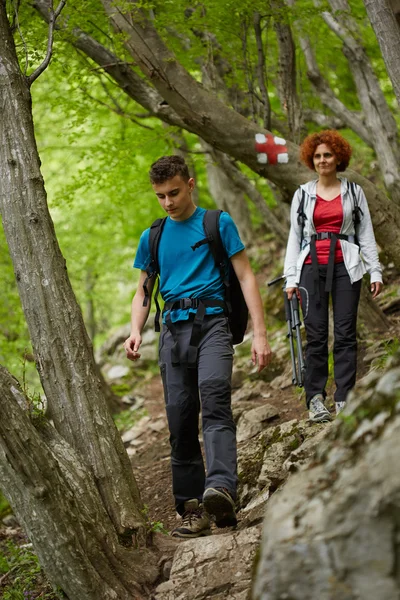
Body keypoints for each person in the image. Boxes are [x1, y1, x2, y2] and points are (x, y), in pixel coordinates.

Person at [124, 155, 272, 538]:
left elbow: (245, 275)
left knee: (215, 397)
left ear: (190, 184)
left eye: (174, 192)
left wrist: (260, 333)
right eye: (160, 196)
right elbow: (144, 289)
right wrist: (135, 330)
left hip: (213, 325)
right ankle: (192, 508)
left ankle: (221, 488)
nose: (168, 202)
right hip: (172, 332)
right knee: (179, 417)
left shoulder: (216, 223)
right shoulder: (152, 236)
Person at [284, 130, 382, 422]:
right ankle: (315, 398)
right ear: (311, 160)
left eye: (328, 155)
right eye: (317, 156)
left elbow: (365, 234)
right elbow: (294, 237)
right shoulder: (302, 194)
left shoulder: (354, 192)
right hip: (310, 268)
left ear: (338, 157)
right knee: (315, 335)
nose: (323, 160)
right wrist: (290, 278)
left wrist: (374, 269)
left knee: (345, 334)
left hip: (346, 267)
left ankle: (344, 397)